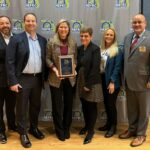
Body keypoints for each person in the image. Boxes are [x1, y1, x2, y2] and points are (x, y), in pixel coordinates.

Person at [6, 13, 47, 148]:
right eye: (28, 21)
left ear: (36, 23)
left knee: (35, 106)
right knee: (22, 108)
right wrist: (12, 81)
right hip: (22, 79)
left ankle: (33, 128)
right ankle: (23, 132)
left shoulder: (42, 40)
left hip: (37, 79)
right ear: (24, 22)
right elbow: (10, 62)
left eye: (33, 21)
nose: (30, 23)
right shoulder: (16, 39)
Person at [119, 14, 150, 147]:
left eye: (139, 22)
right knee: (131, 108)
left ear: (145, 23)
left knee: (143, 110)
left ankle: (141, 134)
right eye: (134, 22)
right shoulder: (127, 38)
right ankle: (132, 129)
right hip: (128, 80)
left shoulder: (149, 38)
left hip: (144, 81)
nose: (136, 24)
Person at [46, 19, 77, 141]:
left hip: (70, 79)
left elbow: (75, 59)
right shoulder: (51, 42)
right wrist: (55, 70)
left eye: (66, 27)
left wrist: (73, 68)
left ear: (68, 29)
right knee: (57, 105)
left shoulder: (73, 42)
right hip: (56, 78)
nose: (63, 29)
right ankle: (59, 130)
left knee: (68, 105)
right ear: (57, 28)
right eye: (61, 27)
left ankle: (66, 127)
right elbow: (47, 59)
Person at [77, 27, 103, 144]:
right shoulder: (79, 49)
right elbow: (77, 65)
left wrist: (88, 84)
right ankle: (86, 126)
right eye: (82, 36)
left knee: (91, 107)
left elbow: (95, 68)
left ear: (91, 37)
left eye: (86, 36)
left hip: (92, 82)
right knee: (84, 105)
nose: (83, 38)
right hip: (81, 80)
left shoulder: (95, 49)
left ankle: (91, 131)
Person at [98, 28, 122, 138]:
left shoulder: (117, 50)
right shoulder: (101, 49)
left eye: (111, 35)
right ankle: (108, 124)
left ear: (114, 37)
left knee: (111, 105)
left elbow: (117, 68)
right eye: (107, 34)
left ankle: (113, 127)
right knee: (107, 104)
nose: (108, 36)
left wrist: (112, 82)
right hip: (102, 79)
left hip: (112, 82)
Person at [0, 16, 17, 144]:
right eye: (1, 23)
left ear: (10, 24)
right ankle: (1, 131)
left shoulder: (16, 38)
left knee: (11, 105)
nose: (5, 25)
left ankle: (12, 125)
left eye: (7, 23)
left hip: (12, 79)